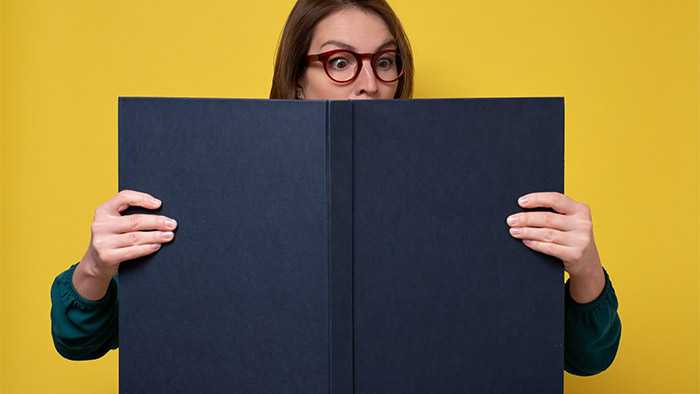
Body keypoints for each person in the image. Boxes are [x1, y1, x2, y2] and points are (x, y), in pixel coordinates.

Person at [50, 0, 621, 377]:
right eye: (340, 62)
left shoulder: (471, 180)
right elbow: (77, 343)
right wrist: (95, 268)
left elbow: (586, 359)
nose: (369, 84)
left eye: (385, 62)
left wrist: (586, 269)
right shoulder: (214, 175)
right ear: (298, 78)